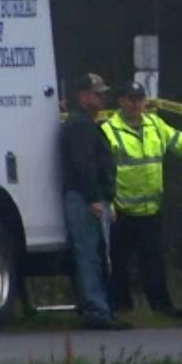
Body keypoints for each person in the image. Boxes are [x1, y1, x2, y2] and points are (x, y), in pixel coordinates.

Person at [101, 81, 182, 318]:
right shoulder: (108, 131)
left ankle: (162, 307)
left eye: (140, 99)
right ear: (121, 101)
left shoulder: (155, 125)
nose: (136, 104)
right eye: (131, 99)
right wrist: (108, 203)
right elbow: (103, 171)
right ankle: (122, 307)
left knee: (153, 261)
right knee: (119, 262)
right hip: (122, 209)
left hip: (151, 208)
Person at [60, 73, 131, 330]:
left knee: (96, 254)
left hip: (90, 197)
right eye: (97, 93)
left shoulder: (86, 123)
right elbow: (83, 165)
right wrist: (94, 198)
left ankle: (99, 307)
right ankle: (96, 310)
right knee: (89, 254)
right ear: (83, 96)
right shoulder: (80, 125)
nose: (102, 97)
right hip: (84, 199)